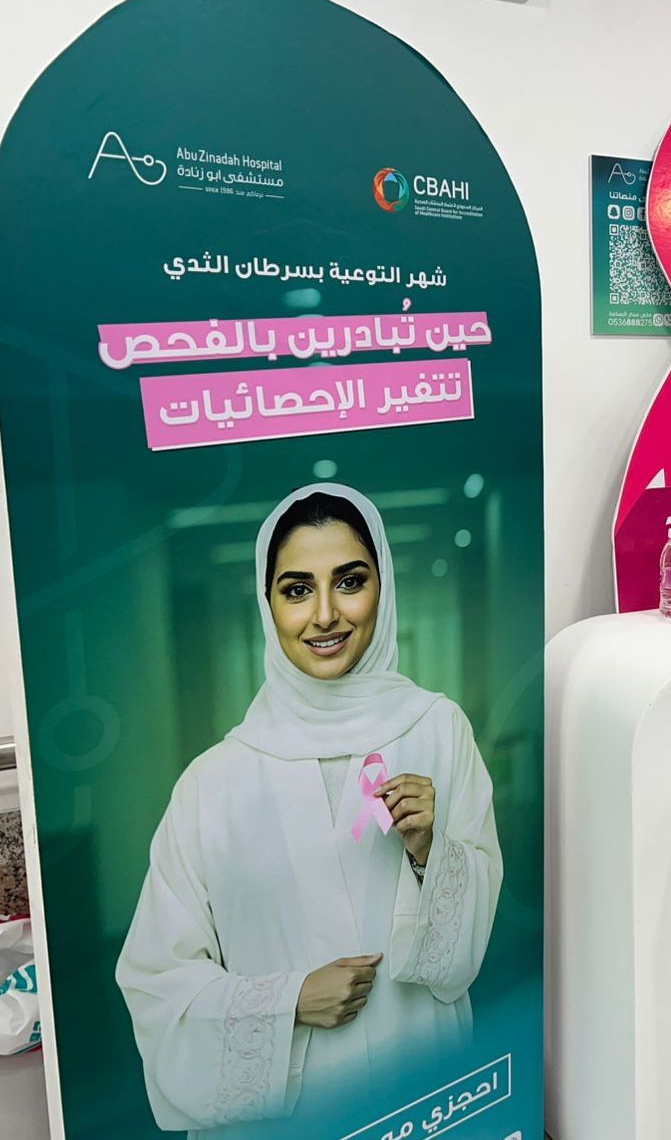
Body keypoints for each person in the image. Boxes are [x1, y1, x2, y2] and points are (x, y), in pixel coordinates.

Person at [117, 483, 503, 1137]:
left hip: (422, 1093)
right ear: (267, 604)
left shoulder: (438, 731)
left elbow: (467, 950)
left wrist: (430, 853)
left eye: (349, 581)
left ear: (383, 585)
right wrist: (288, 1001)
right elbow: (158, 982)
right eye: (297, 589)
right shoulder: (213, 783)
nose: (325, 614)